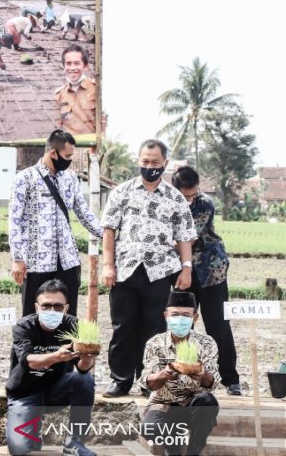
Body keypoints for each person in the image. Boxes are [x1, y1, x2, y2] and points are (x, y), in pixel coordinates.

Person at [101, 139, 197, 398]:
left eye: (155, 162)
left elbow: (184, 236)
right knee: (123, 327)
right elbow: (109, 230)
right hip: (126, 269)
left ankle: (149, 382)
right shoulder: (122, 192)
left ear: (165, 163)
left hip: (160, 271)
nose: (149, 166)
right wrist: (108, 265)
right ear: (138, 160)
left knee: (153, 329)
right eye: (145, 161)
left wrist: (186, 268)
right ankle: (120, 381)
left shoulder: (175, 198)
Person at [9, 129, 103, 317]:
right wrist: (17, 259)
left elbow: (84, 213)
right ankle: (30, 348)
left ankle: (66, 347)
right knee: (32, 315)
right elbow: (14, 220)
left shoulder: (70, 179)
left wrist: (108, 236)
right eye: (67, 156)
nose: (69, 160)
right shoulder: (25, 179)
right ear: (53, 153)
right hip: (36, 261)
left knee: (67, 316)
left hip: (67, 260)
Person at [6, 279, 97, 456]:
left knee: (85, 379)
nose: (51, 311)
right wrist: (56, 357)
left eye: (57, 306)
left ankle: (75, 442)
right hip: (25, 394)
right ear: (36, 307)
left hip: (56, 390)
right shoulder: (23, 327)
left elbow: (83, 368)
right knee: (19, 449)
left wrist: (86, 361)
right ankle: (32, 429)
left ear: (66, 308)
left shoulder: (74, 325)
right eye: (46, 306)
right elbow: (27, 361)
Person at [172, 166, 241, 396]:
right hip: (182, 272)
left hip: (211, 271)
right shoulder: (167, 201)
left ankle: (230, 379)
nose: (190, 200)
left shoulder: (204, 204)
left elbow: (186, 238)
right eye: (185, 196)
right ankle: (181, 373)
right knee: (182, 325)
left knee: (218, 325)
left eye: (193, 194)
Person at [140, 291, 220, 456]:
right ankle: (173, 450)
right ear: (166, 315)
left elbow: (212, 383)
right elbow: (149, 382)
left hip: (193, 406)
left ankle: (193, 452)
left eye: (186, 315)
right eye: (175, 314)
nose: (180, 319)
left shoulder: (207, 343)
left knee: (208, 401)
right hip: (163, 405)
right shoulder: (155, 343)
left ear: (195, 317)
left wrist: (201, 373)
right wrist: (166, 373)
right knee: (149, 428)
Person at [53, 45, 99, 136]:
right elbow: (59, 126)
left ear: (85, 66)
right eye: (68, 63)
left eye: (77, 63)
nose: (72, 68)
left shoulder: (96, 89)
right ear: (64, 67)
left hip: (91, 147)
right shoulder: (59, 94)